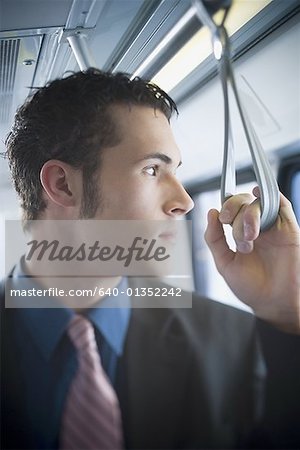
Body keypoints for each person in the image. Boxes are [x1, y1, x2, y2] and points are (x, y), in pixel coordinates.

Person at [1, 69, 299, 450]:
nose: (185, 202)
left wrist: (286, 315)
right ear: (63, 184)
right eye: (152, 169)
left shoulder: (226, 338)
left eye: (175, 171)